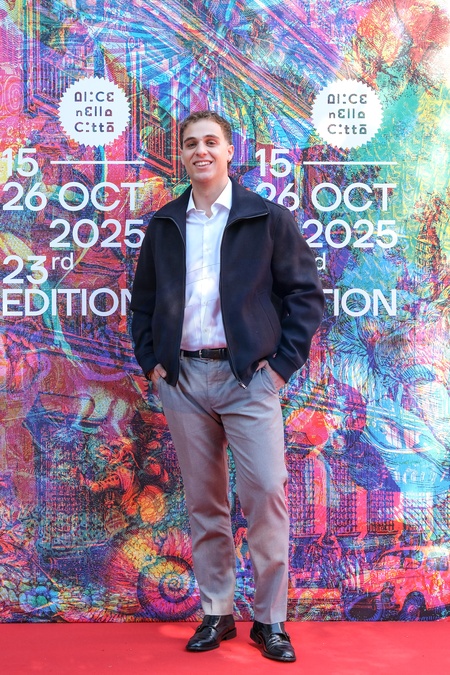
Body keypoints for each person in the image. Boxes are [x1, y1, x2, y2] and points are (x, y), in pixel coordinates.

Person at [131, 110, 324, 662]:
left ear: (229, 150)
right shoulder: (166, 224)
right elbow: (142, 303)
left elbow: (305, 296)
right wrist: (153, 363)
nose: (201, 151)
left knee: (265, 495)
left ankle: (270, 620)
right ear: (181, 154)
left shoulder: (266, 218)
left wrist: (280, 368)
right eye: (191, 143)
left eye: (211, 141)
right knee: (204, 502)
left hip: (249, 380)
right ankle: (217, 612)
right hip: (184, 379)